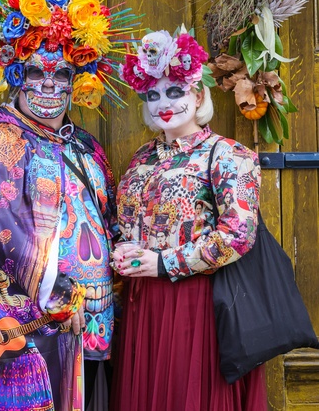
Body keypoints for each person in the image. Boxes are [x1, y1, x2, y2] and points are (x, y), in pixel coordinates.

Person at [0, 0, 134, 411]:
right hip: (35, 331)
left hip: (95, 325)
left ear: (79, 80)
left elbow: (110, 221)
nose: (50, 84)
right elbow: (2, 234)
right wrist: (59, 296)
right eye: (36, 73)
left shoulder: (86, 146)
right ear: (15, 75)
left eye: (63, 75)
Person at [111, 27, 267, 411]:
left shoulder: (228, 154)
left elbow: (238, 234)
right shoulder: (141, 158)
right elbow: (127, 222)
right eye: (153, 95)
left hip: (196, 306)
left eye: (175, 91)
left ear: (198, 95)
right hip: (142, 303)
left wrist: (164, 263)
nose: (163, 103)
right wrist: (124, 248)